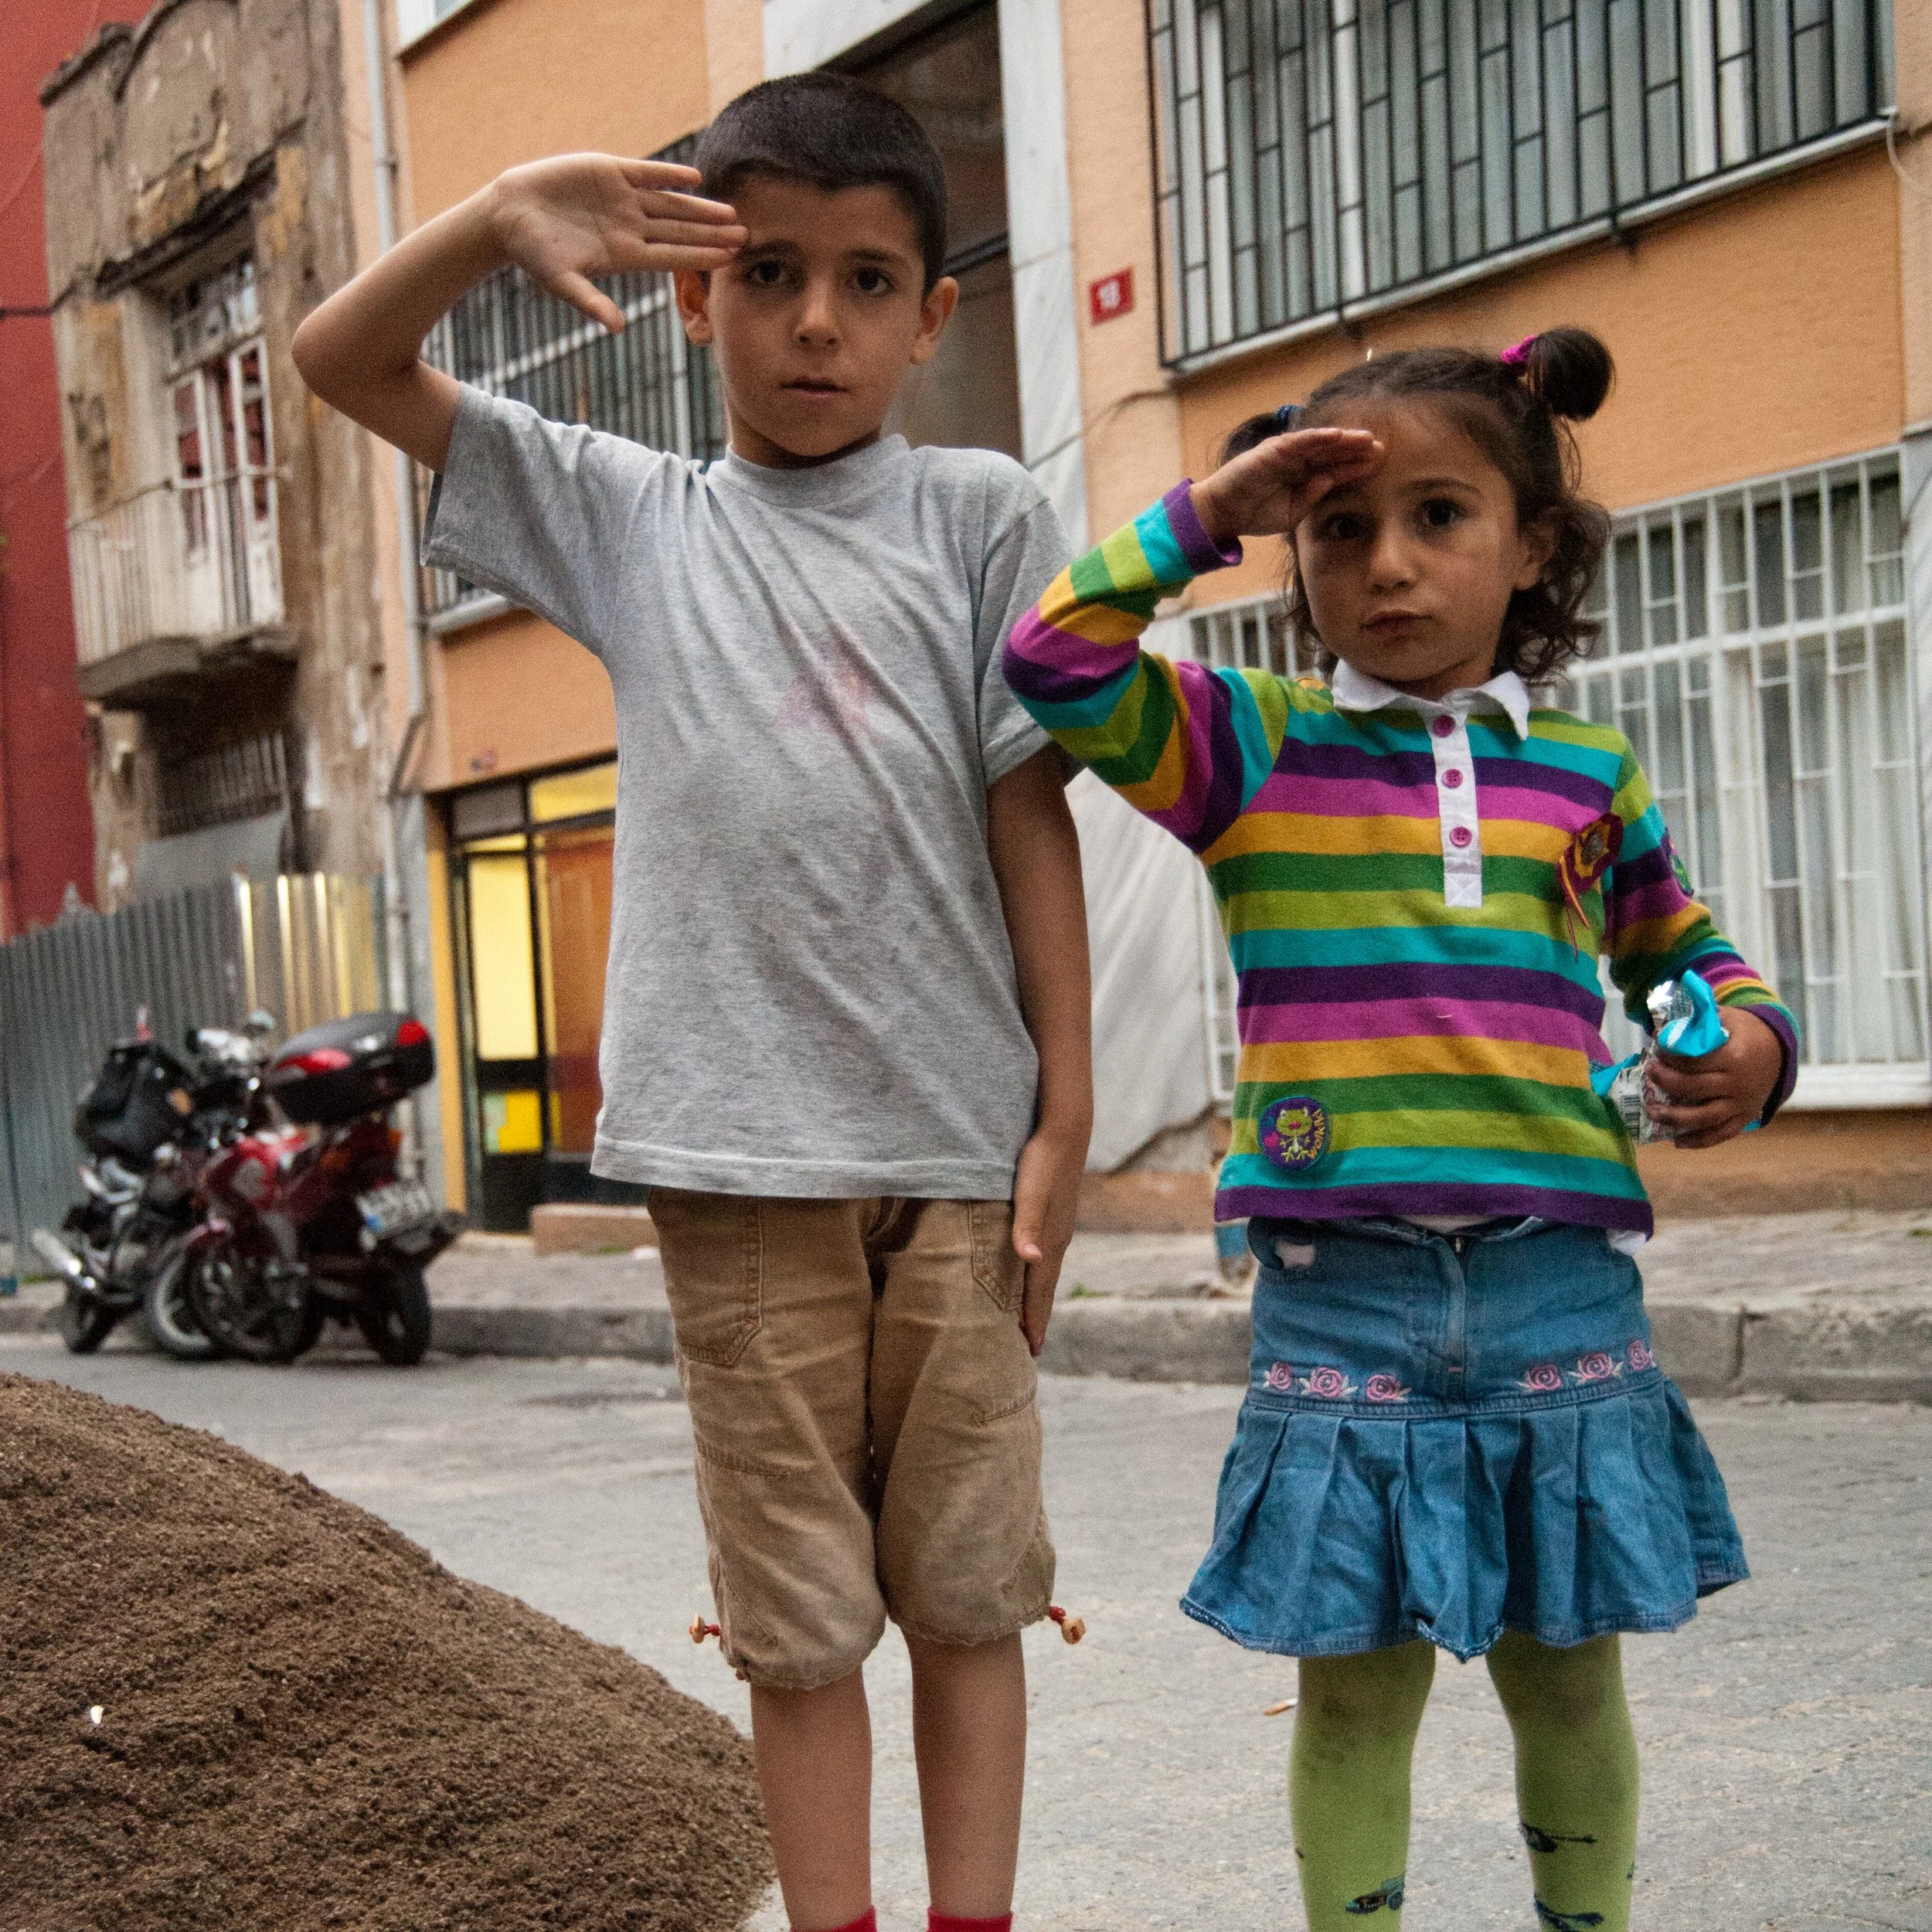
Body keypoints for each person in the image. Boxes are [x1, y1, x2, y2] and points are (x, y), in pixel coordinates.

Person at [293, 73, 1093, 1932]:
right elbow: (344, 357)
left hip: (960, 1156)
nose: (817, 320)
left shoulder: (979, 514)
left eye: (868, 280)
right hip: (732, 1171)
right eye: (772, 273)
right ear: (692, 297)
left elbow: (1023, 813)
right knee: (798, 1622)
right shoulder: (626, 514)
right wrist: (497, 215)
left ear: (932, 312)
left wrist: (1062, 1114)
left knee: (972, 1596)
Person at [1001, 328, 1796, 1932]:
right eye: (1339, 527)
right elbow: (1054, 658)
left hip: (1557, 1291)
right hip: (1337, 1294)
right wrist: (1203, 511)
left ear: (1531, 547)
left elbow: (1686, 953)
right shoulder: (1247, 743)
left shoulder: (1582, 771)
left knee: (1565, 1691)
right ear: (1293, 555)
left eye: (1439, 516)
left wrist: (1756, 1045)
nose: (1387, 563)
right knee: (1354, 1700)